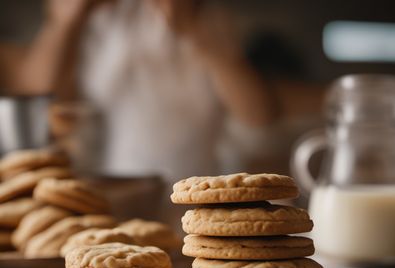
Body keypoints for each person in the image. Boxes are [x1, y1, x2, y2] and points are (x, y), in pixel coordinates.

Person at [0, 0, 283, 182]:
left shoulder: (208, 17)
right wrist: (65, 22)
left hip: (195, 197)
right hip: (104, 199)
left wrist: (192, 29)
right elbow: (34, 101)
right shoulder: (85, 20)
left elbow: (260, 115)